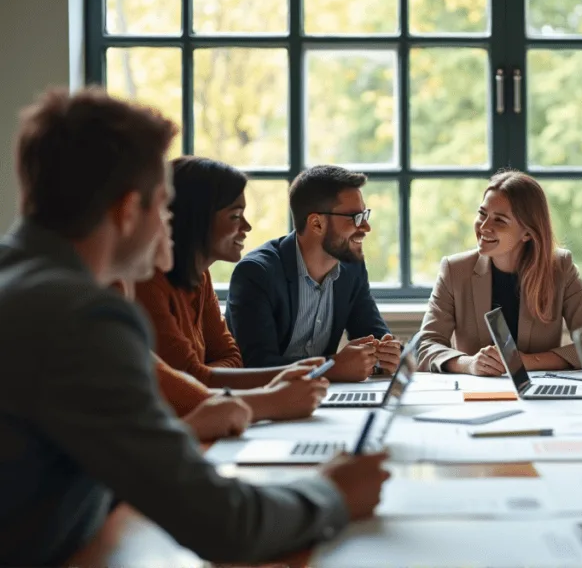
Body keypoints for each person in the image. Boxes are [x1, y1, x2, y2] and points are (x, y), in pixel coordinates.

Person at [0, 88, 389, 566]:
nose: (170, 225)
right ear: (126, 212)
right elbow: (225, 526)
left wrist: (182, 433)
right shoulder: (80, 317)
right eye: (164, 208)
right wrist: (330, 493)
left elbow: (98, 458)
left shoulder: (23, 284)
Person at [116, 199, 328, 430]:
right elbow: (188, 389)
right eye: (165, 210)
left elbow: (230, 360)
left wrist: (266, 392)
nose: (170, 220)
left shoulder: (199, 277)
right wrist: (273, 398)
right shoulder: (133, 293)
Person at [135, 157, 326, 389]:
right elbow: (185, 382)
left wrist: (204, 374)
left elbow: (234, 358)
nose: (246, 227)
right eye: (235, 216)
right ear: (198, 218)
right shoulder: (147, 283)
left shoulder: (201, 278)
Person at [418, 170, 582, 374]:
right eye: (482, 214)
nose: (484, 227)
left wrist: (525, 361)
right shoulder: (455, 270)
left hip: (540, 393)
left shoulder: (560, 268)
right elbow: (425, 346)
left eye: (499, 220)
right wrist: (470, 364)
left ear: (528, 232)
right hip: (477, 394)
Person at [227, 165, 399, 382]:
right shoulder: (256, 273)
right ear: (316, 223)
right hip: (264, 405)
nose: (366, 227)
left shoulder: (351, 268)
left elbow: (374, 334)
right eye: (355, 217)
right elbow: (258, 365)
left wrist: (388, 354)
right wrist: (332, 366)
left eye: (365, 215)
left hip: (320, 398)